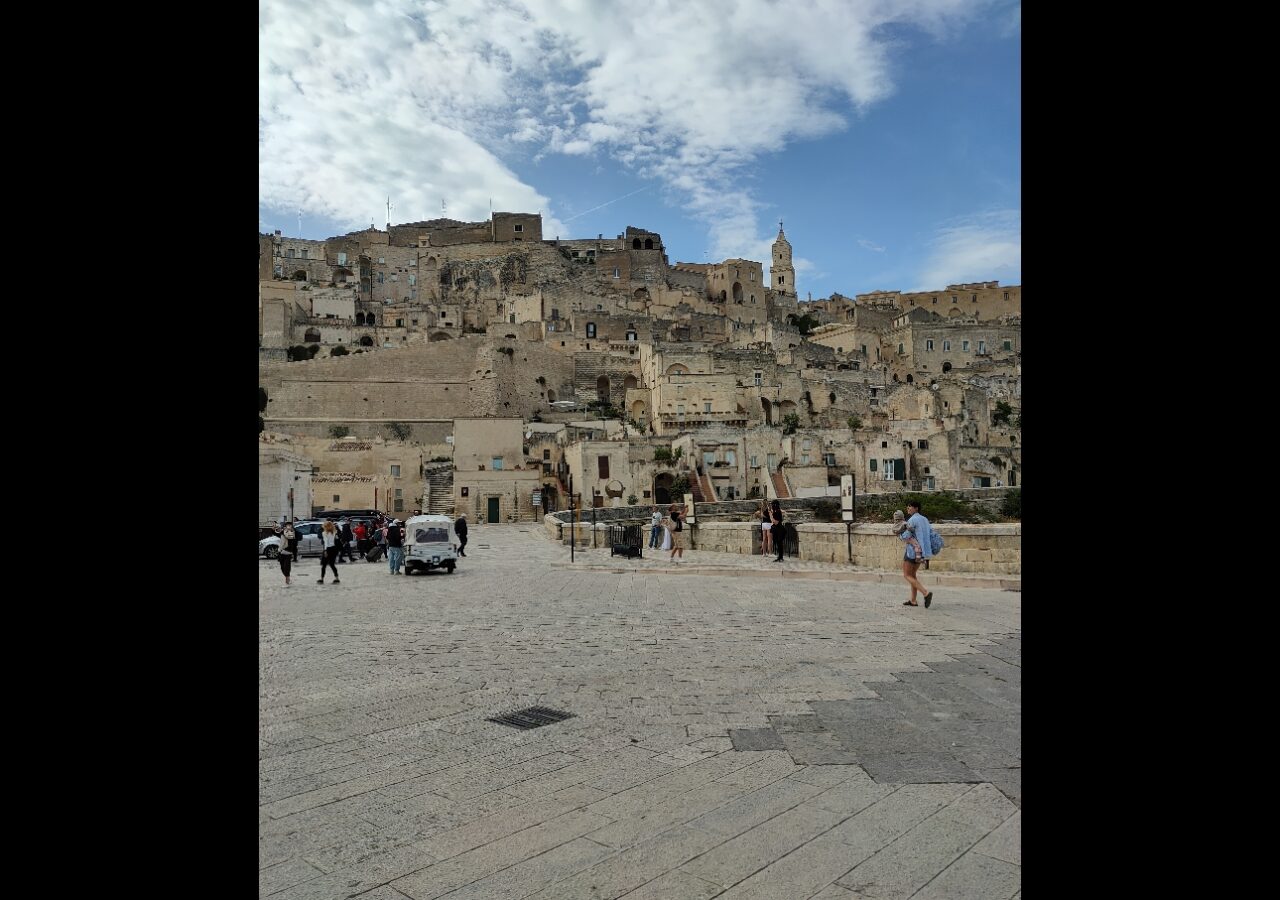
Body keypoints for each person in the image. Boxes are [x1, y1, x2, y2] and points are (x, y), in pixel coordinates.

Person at [900, 500, 934, 608]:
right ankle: (913, 600)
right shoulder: (925, 519)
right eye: (908, 506)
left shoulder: (912, 520)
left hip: (912, 551)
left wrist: (900, 534)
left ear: (916, 508)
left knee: (906, 575)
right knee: (913, 575)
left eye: (910, 506)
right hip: (922, 552)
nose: (908, 508)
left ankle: (925, 593)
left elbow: (905, 536)